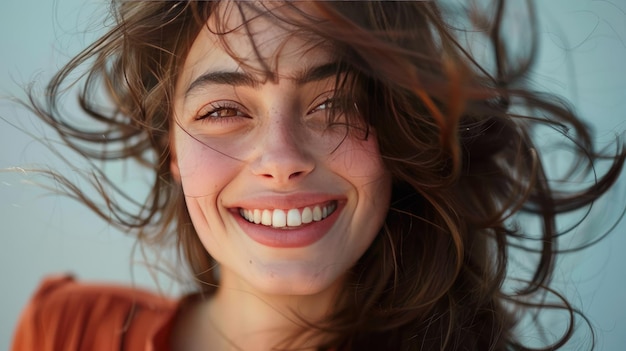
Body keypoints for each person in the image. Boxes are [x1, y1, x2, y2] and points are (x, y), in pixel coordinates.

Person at [9, 1, 625, 350]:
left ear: (399, 132)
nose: (282, 157)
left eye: (335, 104)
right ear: (171, 149)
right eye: (223, 110)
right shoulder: (64, 332)